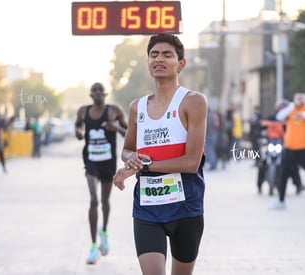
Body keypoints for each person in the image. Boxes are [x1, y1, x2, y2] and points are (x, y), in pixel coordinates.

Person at [113, 33, 207, 275]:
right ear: (148, 62)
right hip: (147, 207)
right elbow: (127, 149)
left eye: (167, 54)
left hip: (186, 207)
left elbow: (191, 163)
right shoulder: (137, 106)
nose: (159, 59)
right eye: (154, 54)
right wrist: (130, 159)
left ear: (181, 63)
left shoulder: (193, 102)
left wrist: (143, 166)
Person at [75, 82, 128, 265]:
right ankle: (92, 247)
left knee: (105, 201)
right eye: (94, 91)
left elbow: (128, 133)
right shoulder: (83, 111)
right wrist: (79, 133)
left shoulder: (114, 111)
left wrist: (116, 128)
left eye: (100, 90)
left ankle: (103, 232)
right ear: (90, 95)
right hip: (91, 161)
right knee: (93, 200)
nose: (97, 93)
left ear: (105, 94)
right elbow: (78, 126)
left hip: (107, 163)